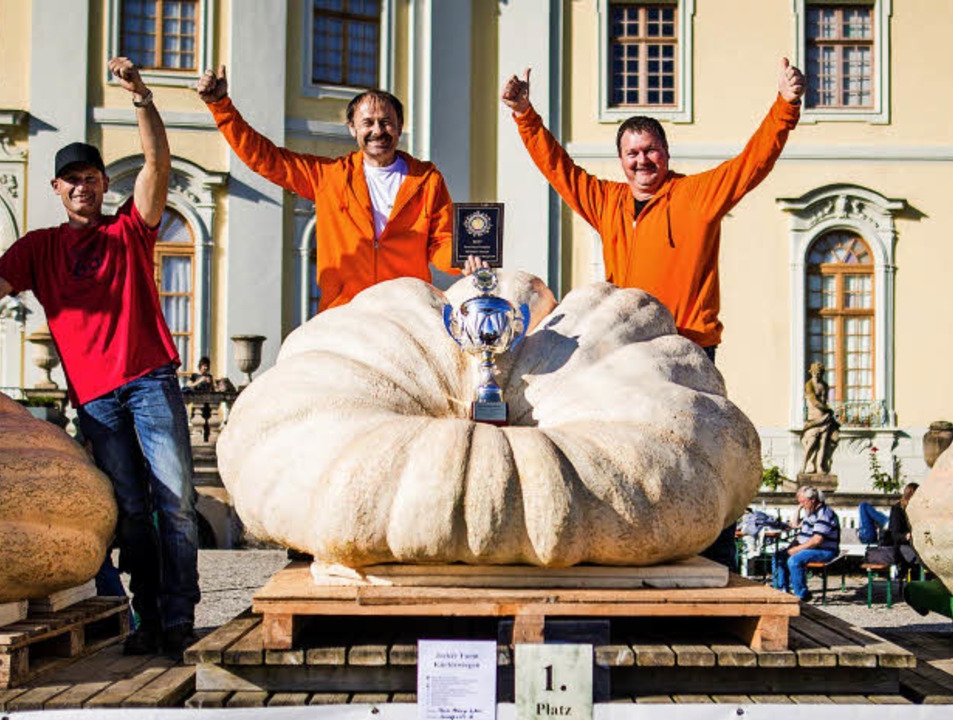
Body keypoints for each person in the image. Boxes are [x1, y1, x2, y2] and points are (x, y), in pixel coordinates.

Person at [0, 58, 202, 662]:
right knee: (129, 508)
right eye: (71, 179)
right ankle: (146, 614)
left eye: (92, 177)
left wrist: (141, 97)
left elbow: (158, 164)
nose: (83, 186)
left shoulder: (129, 230)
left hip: (150, 380)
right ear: (58, 189)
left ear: (105, 185)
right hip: (97, 398)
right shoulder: (38, 248)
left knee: (176, 501)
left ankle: (179, 616)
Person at [500, 59, 804, 362]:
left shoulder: (698, 195)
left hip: (687, 346)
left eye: (650, 150)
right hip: (623, 345)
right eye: (632, 153)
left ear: (666, 153)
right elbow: (558, 168)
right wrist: (525, 115)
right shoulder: (606, 200)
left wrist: (785, 107)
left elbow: (752, 163)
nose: (641, 160)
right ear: (621, 159)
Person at [194, 67, 483, 309]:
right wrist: (221, 107)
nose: (377, 131)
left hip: (407, 310)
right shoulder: (328, 176)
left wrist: (465, 259)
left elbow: (441, 242)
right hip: (345, 312)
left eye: (386, 122)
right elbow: (265, 159)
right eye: (367, 123)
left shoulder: (427, 179)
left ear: (400, 126)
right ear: (352, 129)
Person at [770, 485, 840, 602]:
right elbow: (798, 527)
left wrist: (797, 549)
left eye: (803, 502)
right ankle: (781, 590)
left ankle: (801, 595)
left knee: (794, 560)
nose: (802, 505)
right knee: (779, 556)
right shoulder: (810, 512)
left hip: (825, 550)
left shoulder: (824, 514)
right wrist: (795, 544)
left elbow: (817, 540)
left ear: (813, 500)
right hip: (810, 547)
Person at [800, 362, 840, 475]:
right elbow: (815, 402)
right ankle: (804, 465)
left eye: (819, 373)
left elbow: (824, 400)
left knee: (823, 443)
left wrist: (828, 411)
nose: (817, 376)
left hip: (825, 417)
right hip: (814, 419)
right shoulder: (809, 385)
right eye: (815, 373)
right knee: (811, 444)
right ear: (811, 373)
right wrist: (829, 410)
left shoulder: (825, 385)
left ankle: (819, 466)